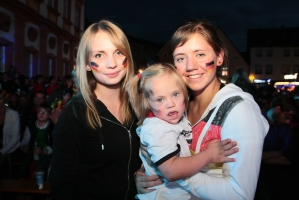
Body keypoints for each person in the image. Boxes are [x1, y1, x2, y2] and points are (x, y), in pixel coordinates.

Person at [136, 19, 269, 199]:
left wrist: (173, 174)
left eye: (200, 54)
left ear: (219, 57)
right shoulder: (177, 105)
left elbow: (240, 195)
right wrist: (146, 177)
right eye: (181, 58)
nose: (190, 66)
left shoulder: (239, 110)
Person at [50, 19, 141, 199]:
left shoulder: (140, 106)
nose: (111, 63)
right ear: (85, 63)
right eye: (99, 55)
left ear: (127, 57)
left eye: (118, 52)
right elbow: (61, 187)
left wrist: (143, 176)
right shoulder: (75, 114)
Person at [126, 63, 238, 199]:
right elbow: (171, 171)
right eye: (160, 99)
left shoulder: (175, 118)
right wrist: (209, 155)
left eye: (175, 94)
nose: (170, 104)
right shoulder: (157, 129)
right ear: (148, 103)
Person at [0, 89, 21, 179]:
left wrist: (1, 152)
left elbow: (15, 139)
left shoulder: (13, 114)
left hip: (9, 149)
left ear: (4, 99)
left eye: (0, 98)